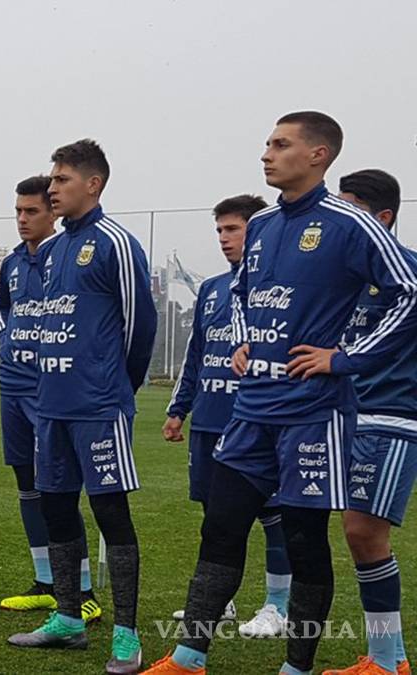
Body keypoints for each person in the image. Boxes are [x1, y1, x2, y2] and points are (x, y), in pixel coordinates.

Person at [144, 112, 417, 675]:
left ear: (319, 155)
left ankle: (300, 666)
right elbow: (244, 290)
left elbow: (409, 293)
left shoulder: (349, 222)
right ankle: (190, 656)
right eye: (267, 143)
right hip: (253, 409)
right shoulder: (263, 225)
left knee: (305, 537)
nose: (267, 154)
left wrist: (344, 359)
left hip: (314, 415)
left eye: (281, 144)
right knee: (220, 525)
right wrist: (245, 339)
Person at [6, 140, 157, 675]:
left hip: (99, 405)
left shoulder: (115, 242)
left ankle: (127, 635)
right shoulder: (51, 250)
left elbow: (141, 325)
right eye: (53, 178)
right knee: (56, 507)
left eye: (63, 179)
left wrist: (119, 386)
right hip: (51, 405)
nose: (52, 187)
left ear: (92, 184)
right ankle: (68, 619)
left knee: (111, 513)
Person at [163, 194, 293, 638]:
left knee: (273, 515)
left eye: (232, 229)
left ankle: (278, 605)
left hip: (257, 422)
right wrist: (179, 409)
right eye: (219, 230)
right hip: (211, 422)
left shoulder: (279, 285)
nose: (223, 238)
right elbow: (196, 353)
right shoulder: (213, 289)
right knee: (214, 514)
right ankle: (221, 598)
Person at [0, 175, 101, 623]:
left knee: (59, 487)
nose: (22, 219)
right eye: (17, 211)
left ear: (52, 213)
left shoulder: (65, 257)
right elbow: (1, 306)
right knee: (27, 483)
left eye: (31, 211)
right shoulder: (13, 263)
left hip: (50, 388)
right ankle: (45, 582)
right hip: (12, 387)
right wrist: (7, 340)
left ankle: (83, 590)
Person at [322, 169, 413, 675]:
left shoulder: (408, 278)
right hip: (347, 417)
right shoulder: (347, 282)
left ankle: (383, 662)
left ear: (383, 219)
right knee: (355, 533)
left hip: (393, 417)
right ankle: (391, 657)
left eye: (352, 211)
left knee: (363, 533)